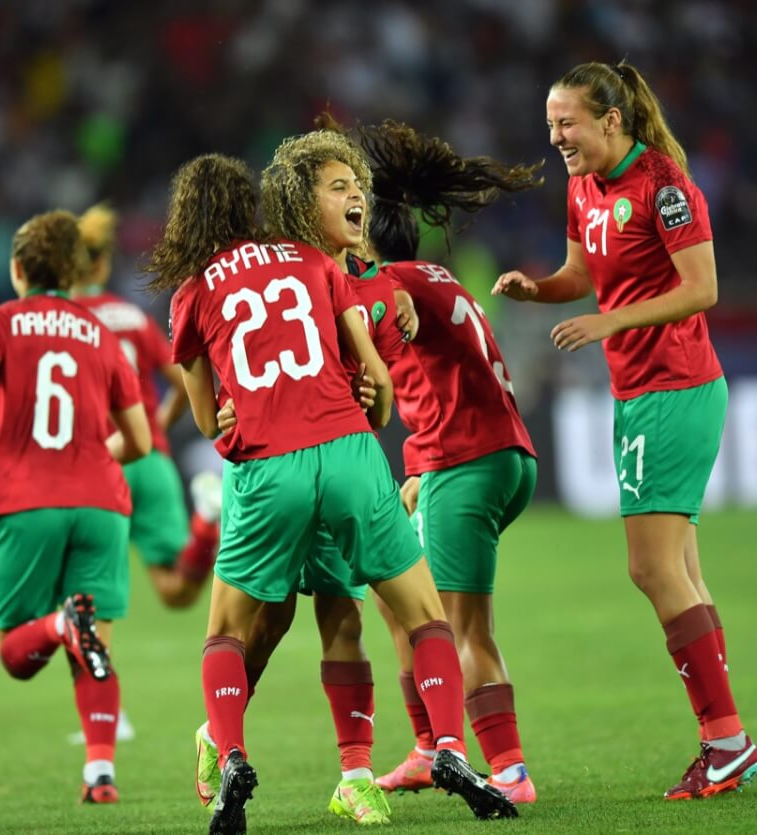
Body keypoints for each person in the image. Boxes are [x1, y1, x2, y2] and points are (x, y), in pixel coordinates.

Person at [147, 153, 517, 834]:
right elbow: (378, 390)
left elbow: (207, 422)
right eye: (340, 187)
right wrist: (370, 398)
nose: (354, 199)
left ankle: (232, 749)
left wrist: (232, 423)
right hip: (349, 455)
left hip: (268, 466)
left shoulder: (192, 292)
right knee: (408, 615)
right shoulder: (315, 263)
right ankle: (448, 746)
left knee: (238, 628)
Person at [492, 60, 757, 800]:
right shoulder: (585, 189)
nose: (556, 137)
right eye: (550, 124)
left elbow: (701, 287)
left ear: (611, 119)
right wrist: (538, 288)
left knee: (650, 569)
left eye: (567, 123)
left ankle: (727, 740)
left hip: (675, 388)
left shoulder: (665, 185)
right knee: (682, 575)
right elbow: (582, 275)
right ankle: (726, 740)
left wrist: (610, 321)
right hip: (639, 391)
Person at [351, 119, 544, 804]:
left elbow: (389, 326)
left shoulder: (391, 285)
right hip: (490, 457)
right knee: (400, 601)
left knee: (458, 628)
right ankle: (431, 746)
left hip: (467, 466)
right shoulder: (440, 276)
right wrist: (416, 466)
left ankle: (512, 771)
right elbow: (431, 376)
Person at [0, 209, 151, 804]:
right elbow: (139, 441)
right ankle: (100, 773)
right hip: (100, 504)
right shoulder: (103, 336)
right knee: (96, 649)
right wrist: (94, 453)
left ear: (17, 270)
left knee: (16, 652)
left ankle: (64, 624)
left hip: (27, 498)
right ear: (74, 271)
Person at [70, 203, 222, 610]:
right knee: (176, 591)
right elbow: (183, 383)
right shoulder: (134, 318)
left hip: (99, 465)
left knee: (84, 590)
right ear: (102, 266)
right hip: (150, 458)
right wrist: (157, 423)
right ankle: (207, 522)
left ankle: (90, 669)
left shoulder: (64, 321)